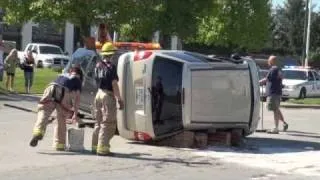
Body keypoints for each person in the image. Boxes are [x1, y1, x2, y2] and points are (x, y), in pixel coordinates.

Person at [29, 66, 83, 151]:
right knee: (61, 118)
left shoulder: (63, 74)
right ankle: (59, 144)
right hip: (64, 90)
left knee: (44, 110)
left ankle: (38, 131)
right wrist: (75, 114)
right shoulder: (77, 80)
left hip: (51, 87)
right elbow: (77, 99)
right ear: (79, 74)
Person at [92, 42, 124, 156]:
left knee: (98, 121)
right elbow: (114, 84)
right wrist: (119, 99)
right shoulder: (112, 67)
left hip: (98, 94)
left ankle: (94, 146)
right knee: (108, 122)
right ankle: (103, 148)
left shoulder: (97, 65)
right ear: (111, 54)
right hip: (107, 96)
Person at [259, 55, 288, 134]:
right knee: (276, 109)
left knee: (275, 110)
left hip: (273, 93)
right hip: (276, 93)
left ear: (272, 61)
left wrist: (257, 82)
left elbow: (266, 79)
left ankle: (276, 128)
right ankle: (283, 123)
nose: (268, 61)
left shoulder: (273, 69)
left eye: (269, 60)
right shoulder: (277, 69)